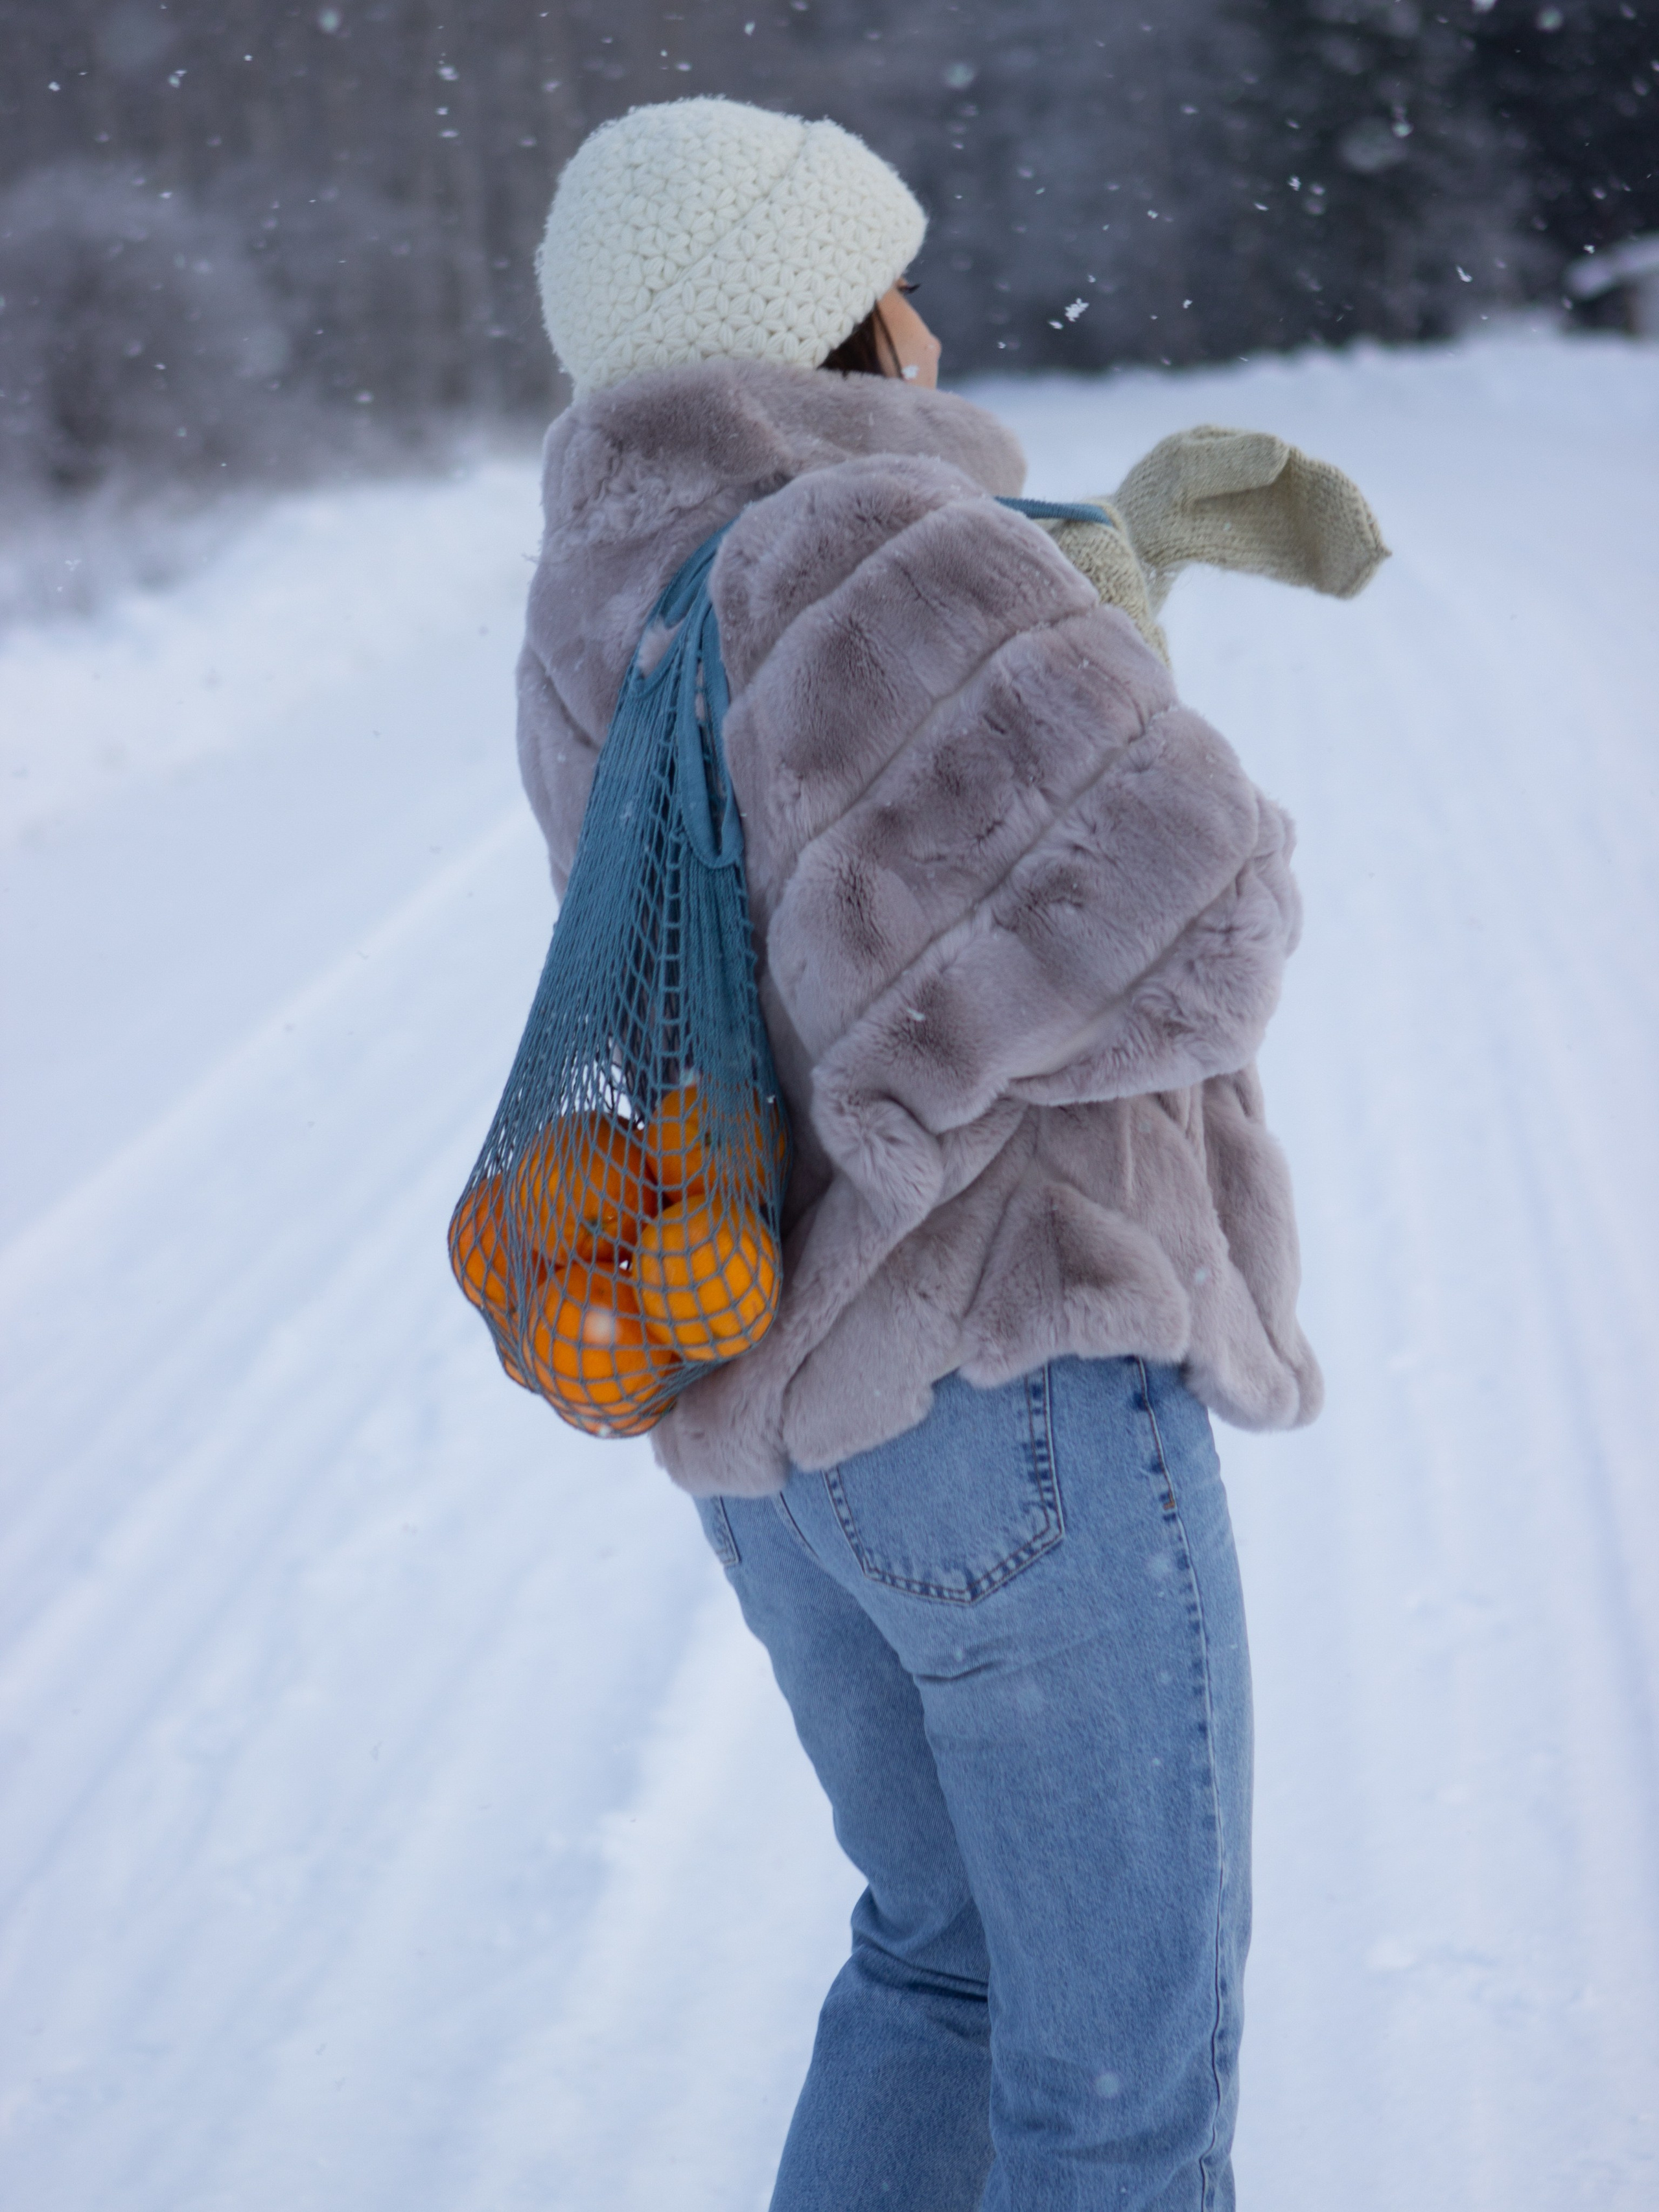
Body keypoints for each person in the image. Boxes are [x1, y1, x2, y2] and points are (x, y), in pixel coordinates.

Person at [522, 96, 1321, 2212]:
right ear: (829, 330)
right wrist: (1104, 652)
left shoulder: (610, 591)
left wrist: (1053, 637)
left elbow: (807, 950)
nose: (937, 324)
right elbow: (1195, 920)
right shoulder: (880, 552)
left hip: (770, 1412)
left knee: (943, 1962)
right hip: (1008, 1394)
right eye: (896, 281)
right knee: (1125, 2073)